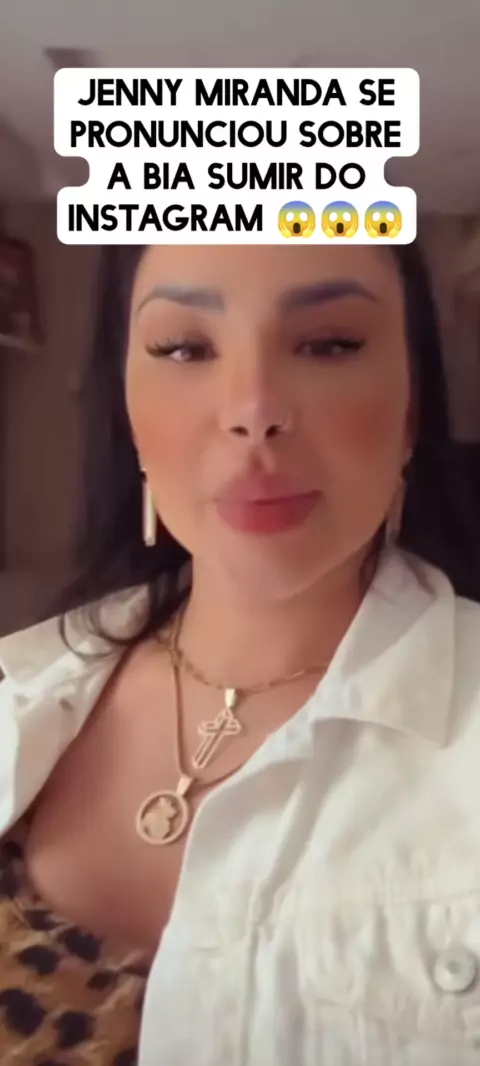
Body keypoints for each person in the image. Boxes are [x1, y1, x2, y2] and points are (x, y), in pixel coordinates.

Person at [1, 238, 480, 1066]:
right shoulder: (22, 680)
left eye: (329, 344)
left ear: (410, 409)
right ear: (127, 409)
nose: (253, 408)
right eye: (184, 348)